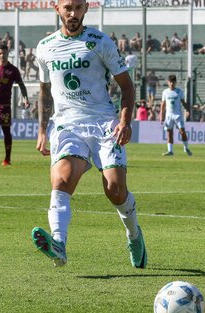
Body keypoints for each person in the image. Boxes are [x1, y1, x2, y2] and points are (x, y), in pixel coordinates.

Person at [32, 0, 147, 269]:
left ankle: (134, 235)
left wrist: (125, 121)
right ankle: (59, 244)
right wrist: (41, 130)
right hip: (67, 125)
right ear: (56, 8)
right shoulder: (45, 47)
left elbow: (127, 87)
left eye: (79, 8)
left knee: (115, 190)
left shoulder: (101, 42)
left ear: (86, 9)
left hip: (104, 124)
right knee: (61, 179)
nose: (73, 13)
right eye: (68, 8)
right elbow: (45, 92)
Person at [160, 74, 192, 156]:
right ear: (168, 82)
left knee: (182, 131)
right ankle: (170, 151)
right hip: (168, 116)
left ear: (175, 82)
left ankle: (186, 148)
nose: (171, 84)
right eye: (170, 82)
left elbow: (183, 102)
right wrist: (161, 116)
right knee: (169, 133)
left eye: (173, 82)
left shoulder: (179, 92)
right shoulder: (165, 92)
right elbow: (163, 105)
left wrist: (188, 110)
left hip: (178, 115)